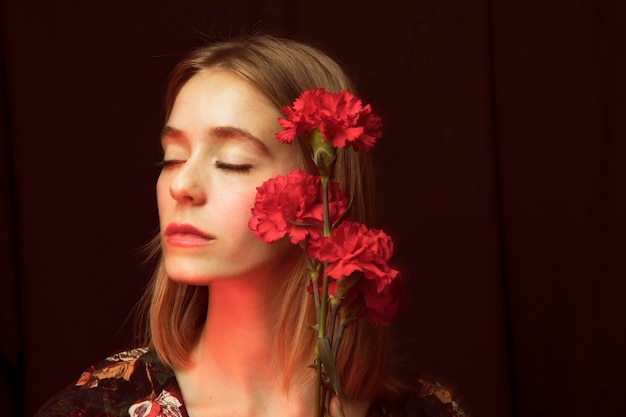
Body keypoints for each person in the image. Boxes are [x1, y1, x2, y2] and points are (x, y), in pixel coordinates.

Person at [35, 35, 466, 417]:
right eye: (172, 157)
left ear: (323, 190)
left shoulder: (426, 410)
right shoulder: (94, 409)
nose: (181, 185)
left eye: (232, 162)